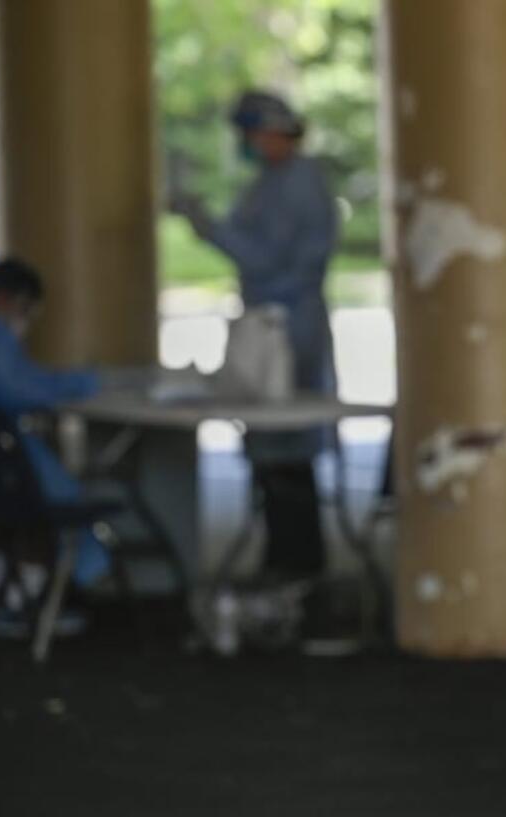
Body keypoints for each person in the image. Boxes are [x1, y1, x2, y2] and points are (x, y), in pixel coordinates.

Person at [173, 90, 337, 581]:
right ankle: (284, 558)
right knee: (271, 448)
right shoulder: (273, 181)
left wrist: (208, 227)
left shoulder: (298, 183)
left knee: (286, 444)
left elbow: (266, 260)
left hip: (287, 324)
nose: (246, 144)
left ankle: (299, 564)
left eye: (249, 134)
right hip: (271, 320)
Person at [0, 258, 111, 632]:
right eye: (24, 310)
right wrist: (89, 380)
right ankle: (25, 599)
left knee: (0, 524)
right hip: (2, 457)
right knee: (42, 510)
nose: (23, 323)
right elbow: (21, 388)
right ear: (2, 298)